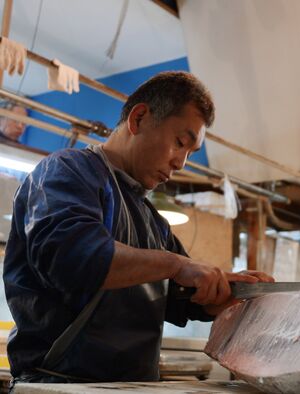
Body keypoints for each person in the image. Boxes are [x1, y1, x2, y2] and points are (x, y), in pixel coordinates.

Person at [3, 71, 274, 386]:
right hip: (59, 384)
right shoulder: (66, 172)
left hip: (131, 385)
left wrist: (225, 292)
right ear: (139, 118)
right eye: (180, 142)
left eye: (189, 153)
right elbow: (72, 259)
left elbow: (178, 296)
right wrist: (177, 264)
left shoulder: (153, 222)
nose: (181, 163)